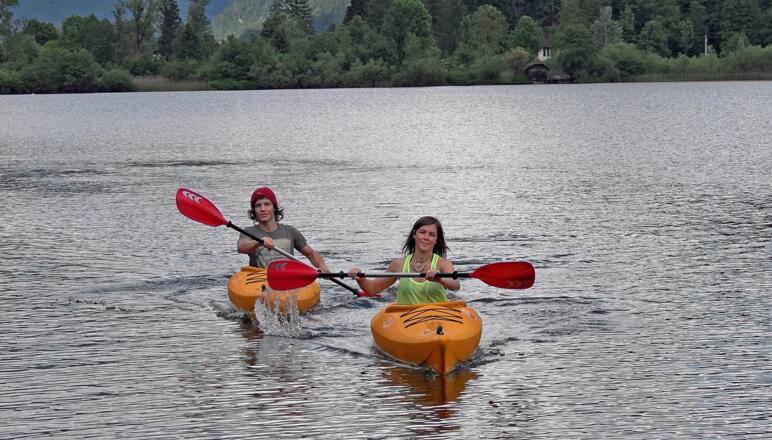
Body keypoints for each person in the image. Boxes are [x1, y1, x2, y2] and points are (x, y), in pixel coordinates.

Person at [348, 216, 460, 304]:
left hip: (437, 319)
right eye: (422, 232)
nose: (426, 237)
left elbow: (455, 285)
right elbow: (372, 289)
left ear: (436, 240)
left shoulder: (443, 264)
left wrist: (441, 279)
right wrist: (359, 277)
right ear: (414, 235)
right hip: (407, 319)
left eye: (431, 234)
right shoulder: (398, 264)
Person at [237, 187, 330, 273]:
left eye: (267, 204)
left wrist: (322, 265)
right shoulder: (249, 232)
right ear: (254, 211)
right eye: (258, 206)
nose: (263, 209)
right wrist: (259, 242)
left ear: (274, 207)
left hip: (286, 279)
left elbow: (311, 254)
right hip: (260, 281)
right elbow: (241, 248)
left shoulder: (290, 231)